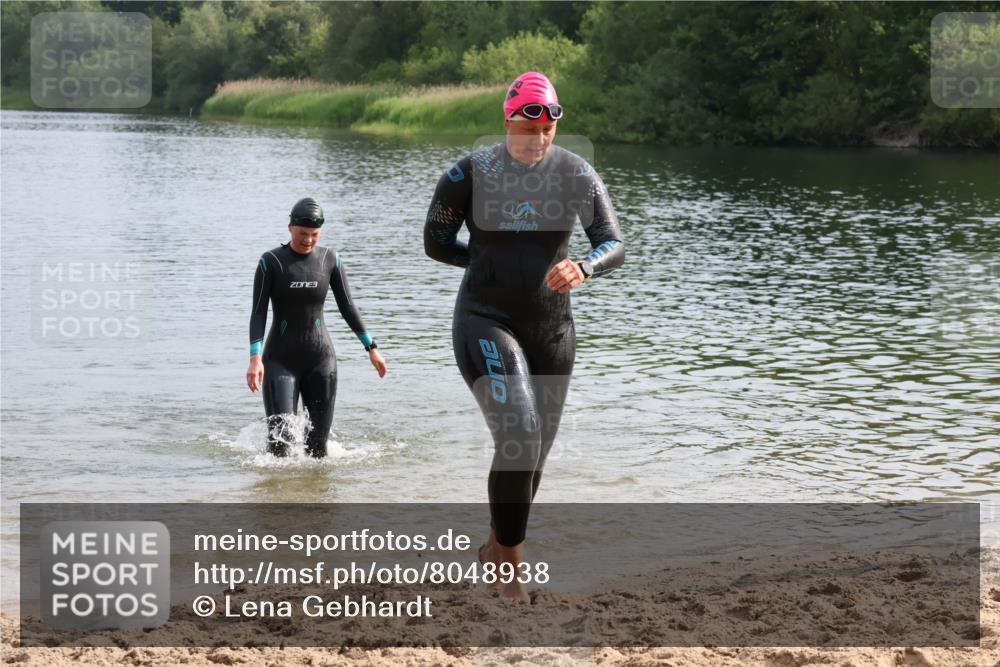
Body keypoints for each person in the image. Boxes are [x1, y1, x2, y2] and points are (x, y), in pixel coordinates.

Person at [423, 71, 625, 602]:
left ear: (556, 127)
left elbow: (613, 243)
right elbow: (436, 242)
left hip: (553, 328)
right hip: (485, 318)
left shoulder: (577, 174)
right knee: (519, 433)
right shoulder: (470, 172)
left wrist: (584, 267)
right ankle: (509, 571)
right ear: (507, 120)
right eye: (524, 128)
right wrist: (486, 262)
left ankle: (495, 548)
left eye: (546, 131)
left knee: (533, 452)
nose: (535, 142)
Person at [247, 197, 387, 458]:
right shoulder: (271, 263)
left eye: (314, 235)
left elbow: (348, 307)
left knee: (317, 447)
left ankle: (317, 498)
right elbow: (258, 313)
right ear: (290, 227)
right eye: (303, 233)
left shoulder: (329, 259)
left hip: (321, 360)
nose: (308, 240)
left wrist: (372, 347)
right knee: (280, 445)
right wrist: (255, 359)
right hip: (280, 361)